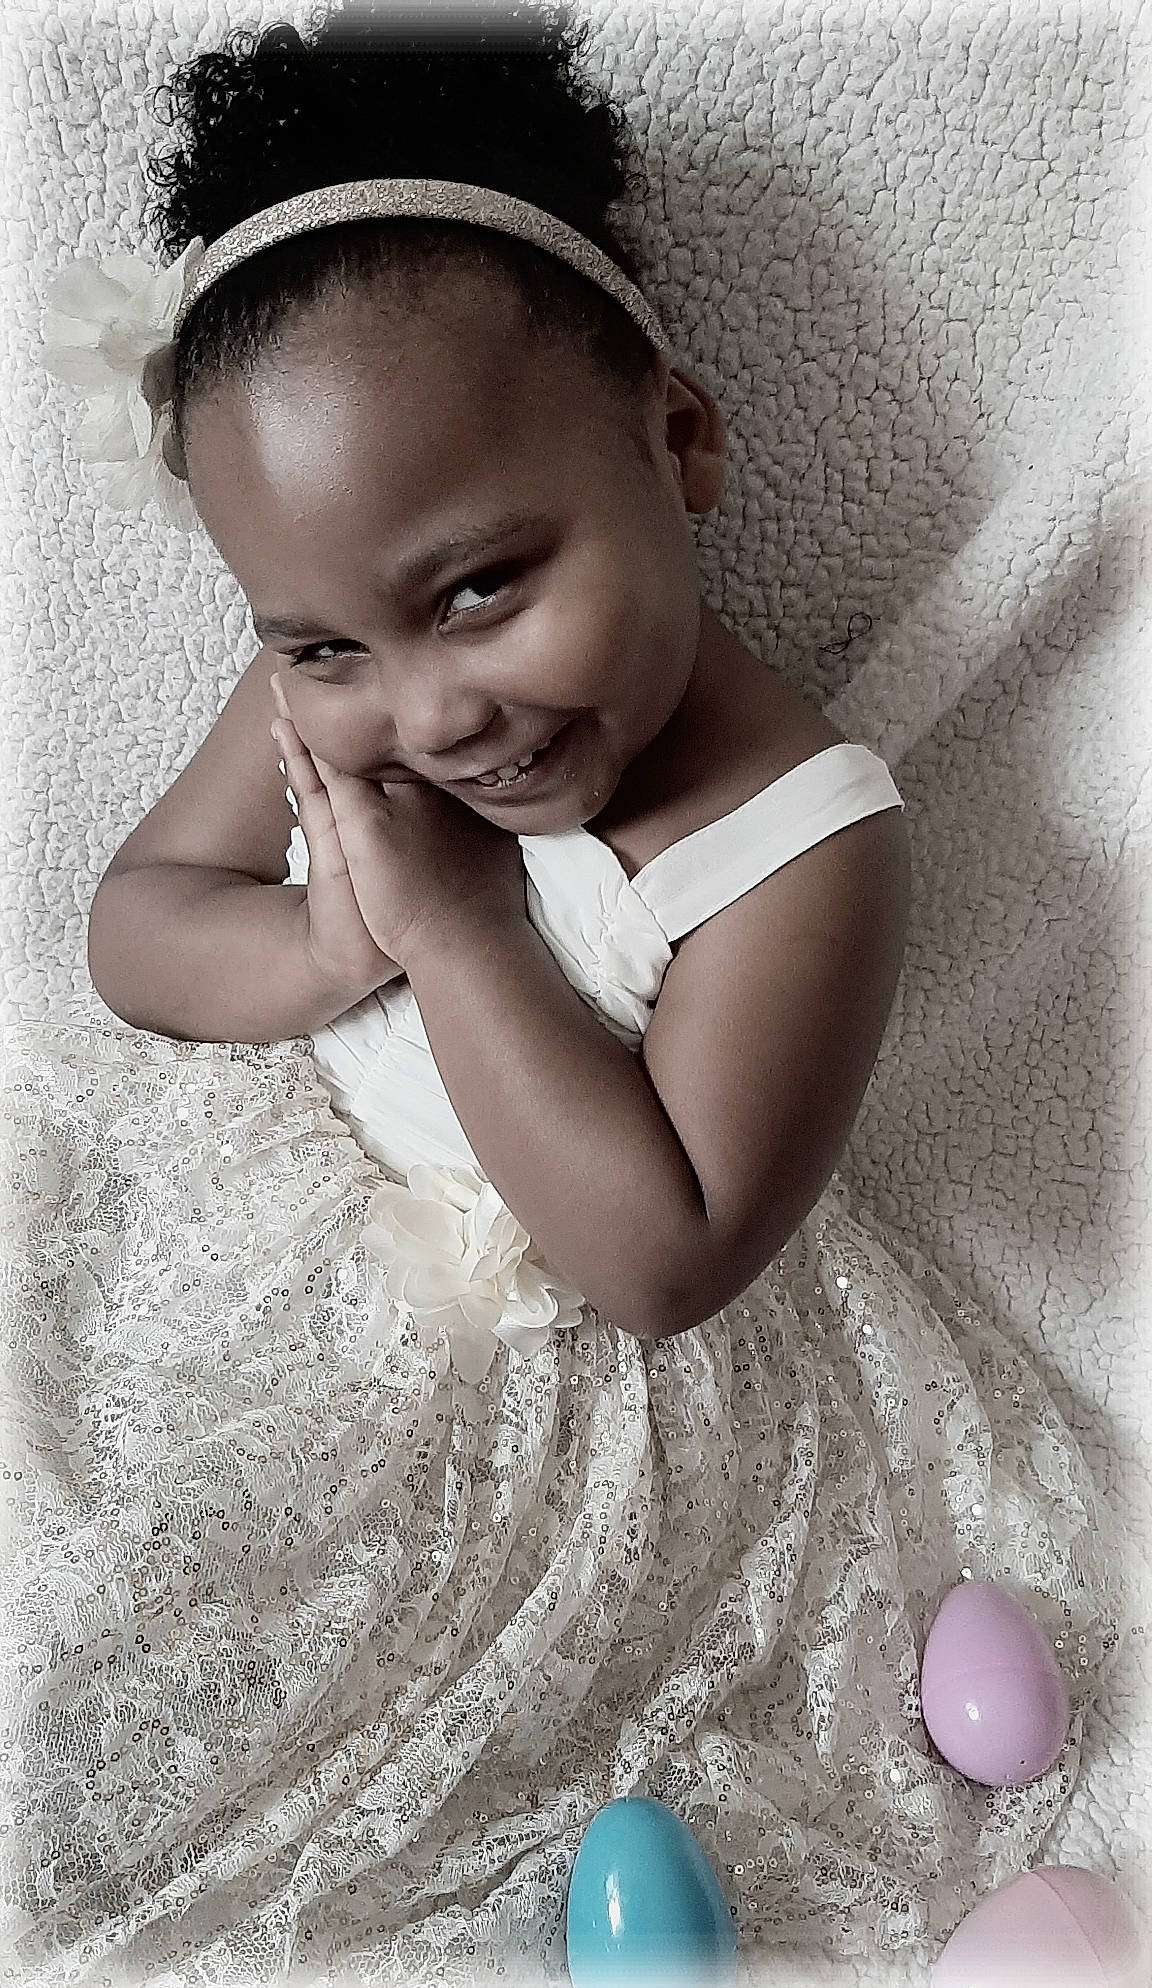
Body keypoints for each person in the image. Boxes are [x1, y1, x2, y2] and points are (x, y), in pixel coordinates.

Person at [5, 5, 1122, 1983]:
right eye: (324, 644)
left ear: (679, 440)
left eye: (483, 589)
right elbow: (138, 926)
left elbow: (663, 1254)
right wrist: (328, 950)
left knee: (294, 1676)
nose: (430, 713)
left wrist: (455, 933)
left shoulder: (798, 839)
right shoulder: (332, 696)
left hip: (536, 1368)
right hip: (232, 1223)